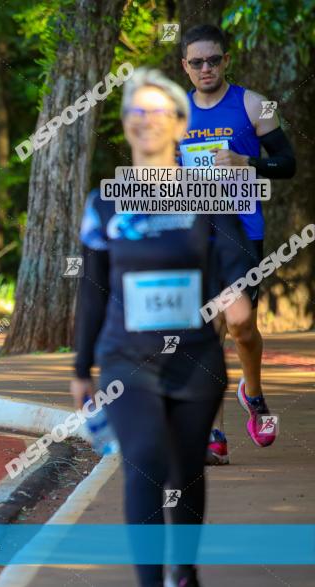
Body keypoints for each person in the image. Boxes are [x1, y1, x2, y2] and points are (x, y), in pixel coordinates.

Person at [72, 69, 256, 587]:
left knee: (186, 472)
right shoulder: (105, 201)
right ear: (127, 125)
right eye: (136, 112)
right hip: (126, 358)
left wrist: (234, 292)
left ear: (179, 124)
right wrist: (79, 365)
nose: (145, 121)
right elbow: (93, 285)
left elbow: (233, 257)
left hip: (195, 359)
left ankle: (185, 569)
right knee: (146, 461)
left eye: (157, 112)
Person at [179, 24, 296, 463]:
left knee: (242, 327)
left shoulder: (253, 104)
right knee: (209, 330)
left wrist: (248, 161)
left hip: (243, 231)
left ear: (226, 60)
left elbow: (288, 164)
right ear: (185, 66)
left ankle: (254, 393)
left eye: (213, 60)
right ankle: (213, 434)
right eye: (197, 62)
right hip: (196, 232)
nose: (206, 68)